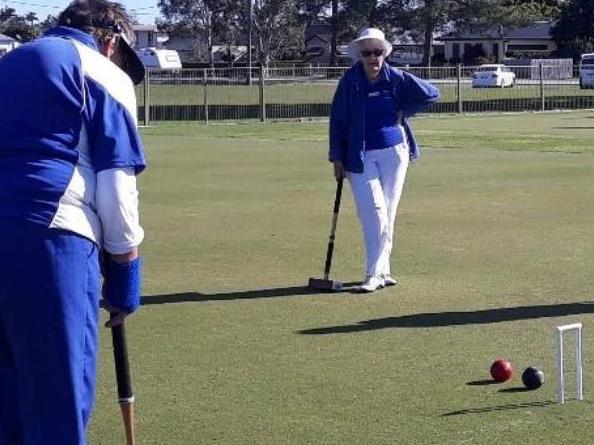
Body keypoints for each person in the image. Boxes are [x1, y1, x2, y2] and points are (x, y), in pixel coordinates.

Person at [0, 0, 146, 443]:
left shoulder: (9, 62)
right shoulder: (103, 72)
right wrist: (124, 275)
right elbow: (117, 188)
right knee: (57, 403)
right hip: (52, 232)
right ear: (112, 41)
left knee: (8, 401)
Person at [329, 28, 439, 292]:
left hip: (395, 153)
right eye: (367, 53)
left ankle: (382, 271)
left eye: (377, 52)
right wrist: (336, 157)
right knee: (374, 212)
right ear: (359, 55)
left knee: (388, 212)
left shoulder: (396, 77)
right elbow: (338, 120)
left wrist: (403, 110)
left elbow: (431, 93)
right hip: (359, 155)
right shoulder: (349, 81)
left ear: (384, 54)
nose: (373, 58)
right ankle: (374, 273)